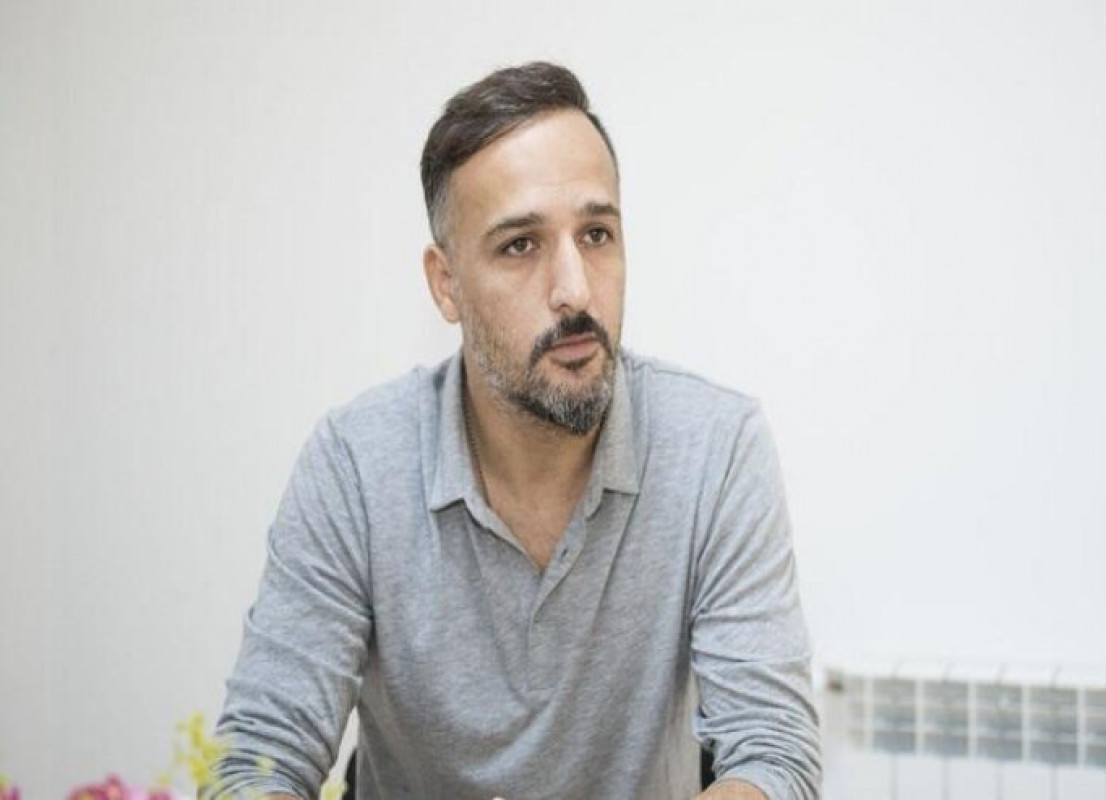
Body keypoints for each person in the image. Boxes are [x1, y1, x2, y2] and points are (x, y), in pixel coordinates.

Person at [207, 61, 821, 800]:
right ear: (446, 284)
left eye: (597, 234)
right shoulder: (356, 465)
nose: (575, 290)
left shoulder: (715, 447)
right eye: (520, 246)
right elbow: (256, 763)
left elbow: (774, 756)